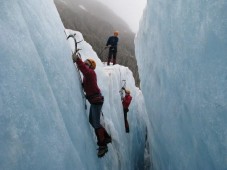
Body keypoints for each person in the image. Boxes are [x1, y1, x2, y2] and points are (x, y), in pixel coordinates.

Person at [72, 53, 111, 158]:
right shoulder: (87, 76)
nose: (85, 64)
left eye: (87, 63)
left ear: (91, 66)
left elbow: (85, 70)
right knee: (92, 121)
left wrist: (78, 60)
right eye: (85, 63)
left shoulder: (91, 73)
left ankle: (103, 145)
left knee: (96, 123)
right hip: (95, 101)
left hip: (96, 101)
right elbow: (87, 82)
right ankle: (106, 137)